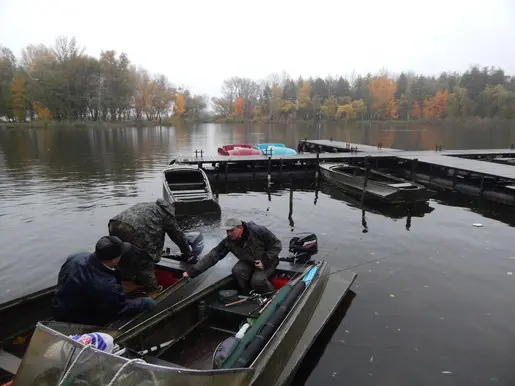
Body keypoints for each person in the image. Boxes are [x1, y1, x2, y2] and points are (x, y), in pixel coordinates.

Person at [52, 236, 156, 326]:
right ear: (115, 260)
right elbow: (120, 308)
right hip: (79, 322)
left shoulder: (76, 257)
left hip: (60, 309)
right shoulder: (107, 285)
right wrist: (143, 303)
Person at [108, 198, 196, 292]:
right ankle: (152, 291)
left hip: (114, 224)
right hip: (133, 229)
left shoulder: (150, 205)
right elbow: (178, 237)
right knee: (145, 261)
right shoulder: (166, 215)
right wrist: (188, 252)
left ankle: (125, 282)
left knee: (123, 256)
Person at [183, 218, 282, 295]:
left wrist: (265, 261)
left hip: (268, 261)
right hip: (249, 262)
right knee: (237, 270)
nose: (229, 234)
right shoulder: (228, 241)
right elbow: (213, 256)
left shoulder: (258, 231)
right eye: (227, 231)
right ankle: (247, 295)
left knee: (257, 281)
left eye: (231, 230)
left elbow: (277, 245)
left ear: (240, 228)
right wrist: (192, 272)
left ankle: (271, 297)